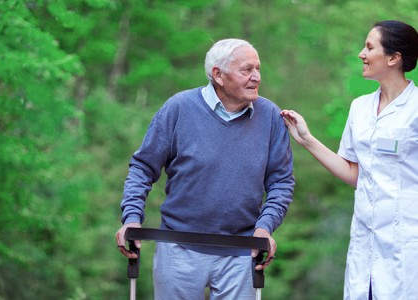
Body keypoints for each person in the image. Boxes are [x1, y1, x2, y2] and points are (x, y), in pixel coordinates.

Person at [116, 38, 295, 299]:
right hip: (178, 250)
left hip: (242, 250)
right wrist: (132, 218)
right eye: (247, 70)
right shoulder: (178, 108)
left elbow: (281, 182)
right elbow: (143, 168)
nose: (256, 77)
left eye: (258, 69)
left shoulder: (270, 116)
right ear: (218, 75)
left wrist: (264, 228)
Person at [281, 20, 418, 299]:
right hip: (364, 248)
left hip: (406, 247)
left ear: (394, 58)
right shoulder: (360, 108)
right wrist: (307, 139)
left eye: (369, 47)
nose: (361, 54)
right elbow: (355, 174)